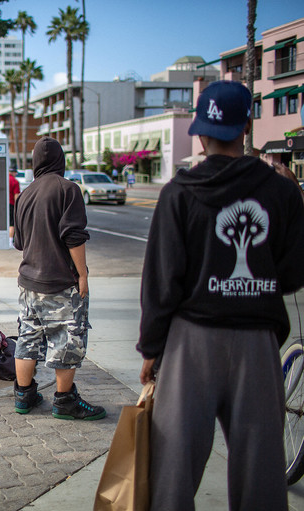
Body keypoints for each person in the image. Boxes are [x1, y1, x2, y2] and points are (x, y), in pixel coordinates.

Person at [137, 81, 304, 510]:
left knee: (173, 470)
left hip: (191, 342)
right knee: (261, 471)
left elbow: (161, 282)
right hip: (258, 342)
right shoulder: (282, 191)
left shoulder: (179, 193)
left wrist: (151, 349)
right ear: (246, 126)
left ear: (200, 131)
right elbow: (293, 272)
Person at [12, 136, 106, 420]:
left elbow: (19, 243)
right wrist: (82, 275)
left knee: (28, 338)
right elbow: (74, 237)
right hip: (60, 283)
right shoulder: (69, 190)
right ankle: (64, 401)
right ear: (60, 162)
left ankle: (23, 396)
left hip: (28, 283)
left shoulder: (24, 195)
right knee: (67, 340)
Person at [8, 167, 21, 248]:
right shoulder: (15, 182)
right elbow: (16, 196)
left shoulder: (4, 179)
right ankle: (10, 241)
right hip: (11, 204)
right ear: (14, 172)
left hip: (2, 205)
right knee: (12, 224)